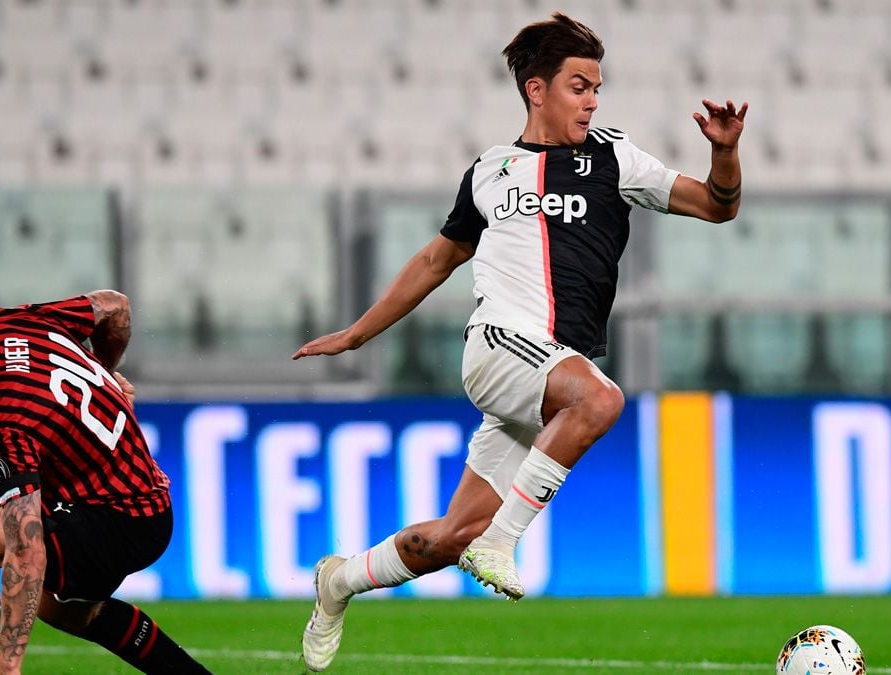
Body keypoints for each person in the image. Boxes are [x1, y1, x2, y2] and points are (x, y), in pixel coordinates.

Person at [291, 11, 747, 672]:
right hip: (501, 345)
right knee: (601, 400)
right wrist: (357, 333)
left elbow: (717, 205)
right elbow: (435, 260)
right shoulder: (490, 169)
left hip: (547, 376)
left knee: (451, 537)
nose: (592, 101)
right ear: (537, 90)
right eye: (579, 87)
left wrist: (724, 152)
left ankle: (339, 580)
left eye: (597, 88)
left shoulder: (615, 157)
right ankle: (502, 542)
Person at [0, 292, 211, 675]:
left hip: (116, 523)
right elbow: (115, 306)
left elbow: (27, 550)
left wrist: (7, 667)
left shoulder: (3, 424)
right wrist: (103, 371)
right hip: (145, 504)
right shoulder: (10, 323)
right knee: (59, 610)